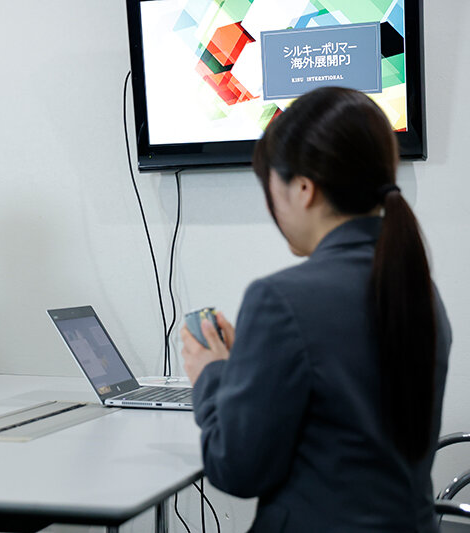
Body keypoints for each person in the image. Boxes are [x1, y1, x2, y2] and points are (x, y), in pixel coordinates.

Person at [181, 87, 451, 532]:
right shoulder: (419, 289)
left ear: (304, 189)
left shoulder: (279, 300)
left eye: (270, 187)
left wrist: (212, 375)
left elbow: (237, 469)